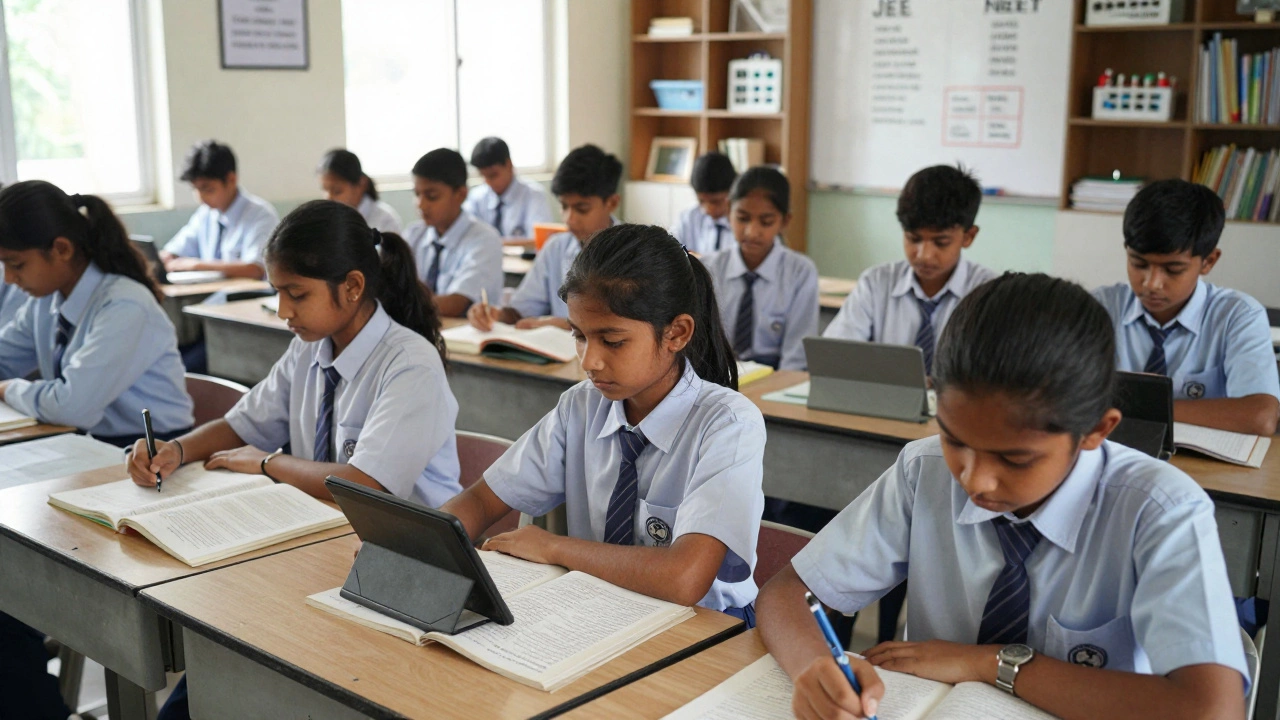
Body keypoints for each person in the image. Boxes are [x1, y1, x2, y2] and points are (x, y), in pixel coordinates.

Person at [758, 273, 1249, 720]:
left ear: (1096, 430)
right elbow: (786, 594)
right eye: (954, 439)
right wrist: (815, 668)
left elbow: (1210, 708)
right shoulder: (923, 469)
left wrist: (992, 663)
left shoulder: (1159, 509)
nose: (976, 481)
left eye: (1014, 460)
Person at [443, 224, 765, 623]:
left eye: (612, 341)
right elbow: (480, 500)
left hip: (705, 626)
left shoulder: (727, 424)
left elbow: (685, 578)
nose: (589, 361)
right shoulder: (580, 406)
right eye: (579, 336)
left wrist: (555, 548)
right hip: (600, 611)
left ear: (676, 333)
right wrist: (420, 547)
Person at [0, 180, 193, 446]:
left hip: (150, 451)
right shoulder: (45, 300)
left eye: (16, 265)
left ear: (62, 249)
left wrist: (8, 389)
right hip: (85, 443)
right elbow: (3, 358)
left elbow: (71, 406)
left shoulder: (124, 305)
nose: (9, 278)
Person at [1093, 179, 1279, 437]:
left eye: (1173, 269)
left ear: (1208, 261)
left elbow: (1260, 416)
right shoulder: (1099, 308)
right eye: (1138, 263)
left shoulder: (1238, 316)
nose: (1152, 283)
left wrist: (1139, 410)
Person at [823, 164, 997, 377]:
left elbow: (993, 374)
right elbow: (834, 355)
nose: (924, 255)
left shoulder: (988, 293)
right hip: (882, 404)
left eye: (941, 242)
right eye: (913, 239)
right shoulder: (876, 283)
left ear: (968, 236)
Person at [467, 144, 621, 332]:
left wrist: (566, 326)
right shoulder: (555, 248)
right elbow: (520, 310)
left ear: (612, 202)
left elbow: (629, 326)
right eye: (564, 207)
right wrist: (494, 314)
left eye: (582, 209)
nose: (569, 219)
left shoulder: (635, 250)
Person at [701, 166, 818, 371]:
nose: (752, 232)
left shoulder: (800, 272)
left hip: (774, 375)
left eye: (766, 222)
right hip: (717, 375)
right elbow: (699, 344)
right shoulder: (708, 268)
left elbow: (796, 356)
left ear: (784, 221)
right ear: (729, 211)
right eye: (743, 218)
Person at [402, 149, 503, 317]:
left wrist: (399, 303)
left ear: (461, 194)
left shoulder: (484, 239)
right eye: (417, 194)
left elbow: (454, 304)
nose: (421, 205)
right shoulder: (413, 235)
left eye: (432, 196)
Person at [162, 140, 279, 280]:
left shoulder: (261, 215)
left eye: (208, 189)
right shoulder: (205, 214)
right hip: (211, 294)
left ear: (231, 179)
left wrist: (197, 265)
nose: (201, 198)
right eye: (195, 189)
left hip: (246, 297)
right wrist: (166, 257)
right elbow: (176, 249)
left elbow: (255, 269)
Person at [463, 136, 553, 238]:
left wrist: (491, 245)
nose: (488, 182)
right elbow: (467, 237)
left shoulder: (534, 195)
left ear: (508, 164)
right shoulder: (476, 198)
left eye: (493, 175)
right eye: (484, 176)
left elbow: (538, 241)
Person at [317, 148, 402, 234]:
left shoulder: (384, 221)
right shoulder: (324, 219)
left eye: (337, 191)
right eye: (325, 189)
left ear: (361, 184)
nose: (329, 197)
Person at [673, 152, 737, 255]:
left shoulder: (745, 223)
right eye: (701, 201)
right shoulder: (688, 218)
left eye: (715, 201)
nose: (708, 209)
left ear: (733, 191)